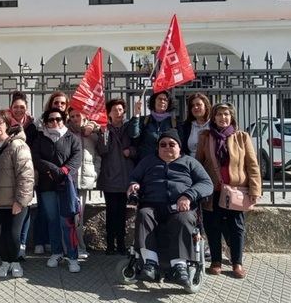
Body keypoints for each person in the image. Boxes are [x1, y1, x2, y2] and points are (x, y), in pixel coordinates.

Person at [127, 129, 213, 287]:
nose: (167, 147)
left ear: (179, 147)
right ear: (158, 147)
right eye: (163, 144)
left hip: (180, 208)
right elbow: (134, 177)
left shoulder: (190, 162)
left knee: (183, 218)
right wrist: (134, 184)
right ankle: (150, 263)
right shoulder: (148, 161)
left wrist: (188, 195)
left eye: (171, 144)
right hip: (152, 205)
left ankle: (179, 266)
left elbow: (207, 184)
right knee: (144, 214)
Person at [196, 102, 261, 279]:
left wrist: (255, 189)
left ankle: (236, 263)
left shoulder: (242, 137)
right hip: (212, 190)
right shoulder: (206, 136)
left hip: (236, 190)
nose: (223, 118)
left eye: (226, 114)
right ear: (214, 117)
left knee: (236, 226)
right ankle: (216, 261)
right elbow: (199, 164)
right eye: (219, 114)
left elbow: (252, 165)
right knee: (212, 225)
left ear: (232, 117)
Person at [32, 107, 82, 272]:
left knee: (67, 222)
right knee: (52, 221)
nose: (55, 122)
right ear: (46, 122)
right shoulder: (40, 139)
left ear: (63, 120)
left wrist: (65, 171)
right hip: (47, 186)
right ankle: (56, 252)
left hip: (66, 185)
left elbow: (76, 158)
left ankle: (73, 257)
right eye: (51, 120)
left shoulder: (72, 138)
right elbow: (37, 158)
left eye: (58, 119)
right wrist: (55, 170)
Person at [0, 110, 34, 278]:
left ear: (7, 124)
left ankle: (15, 262)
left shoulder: (17, 145)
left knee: (13, 235)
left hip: (15, 200)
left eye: (0, 122)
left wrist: (20, 200)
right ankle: (5, 261)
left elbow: (26, 175)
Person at [96, 99, 135, 255]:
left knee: (122, 212)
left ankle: (121, 244)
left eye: (121, 110)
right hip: (110, 177)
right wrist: (103, 134)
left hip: (126, 177)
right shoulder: (105, 129)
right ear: (109, 113)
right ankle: (110, 244)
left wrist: (130, 151)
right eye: (115, 110)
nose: (118, 113)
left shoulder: (129, 128)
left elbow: (137, 146)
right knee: (111, 212)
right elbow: (102, 150)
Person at [67, 107, 101, 259]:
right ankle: (73, 247)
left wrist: (95, 173)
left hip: (85, 180)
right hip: (70, 180)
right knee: (71, 216)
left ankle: (79, 246)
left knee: (78, 217)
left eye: (78, 115)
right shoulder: (67, 133)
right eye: (72, 116)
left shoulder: (92, 134)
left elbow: (99, 155)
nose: (75, 118)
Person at [8, 91, 39, 257]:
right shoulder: (6, 125)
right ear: (11, 108)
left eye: (22, 107)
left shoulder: (32, 127)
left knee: (25, 209)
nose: (18, 110)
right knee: (11, 210)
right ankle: (10, 245)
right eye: (16, 107)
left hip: (27, 173)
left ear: (26, 109)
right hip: (9, 173)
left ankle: (22, 244)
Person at [129, 90, 181, 162]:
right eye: (159, 99)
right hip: (146, 163)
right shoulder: (144, 120)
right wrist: (136, 114)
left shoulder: (174, 123)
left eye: (165, 100)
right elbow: (133, 134)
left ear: (168, 104)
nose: (162, 101)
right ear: (154, 101)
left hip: (167, 163)